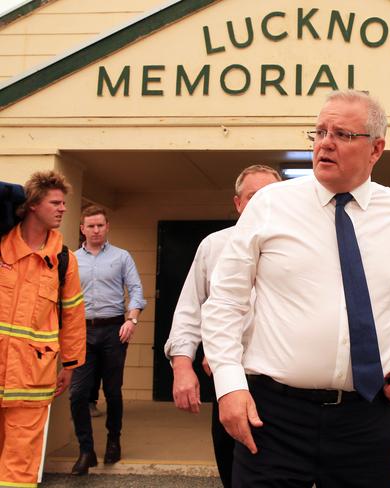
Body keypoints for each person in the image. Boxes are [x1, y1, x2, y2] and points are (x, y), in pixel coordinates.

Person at [201, 90, 390, 488]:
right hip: (272, 417)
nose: (325, 142)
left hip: (366, 418)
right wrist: (229, 386)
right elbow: (225, 301)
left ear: (376, 148)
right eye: (319, 132)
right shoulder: (269, 204)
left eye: (343, 134)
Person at [164, 164, 281, 488]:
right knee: (233, 473)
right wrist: (182, 366)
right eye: (253, 196)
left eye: (270, 196)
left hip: (285, 386)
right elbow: (190, 310)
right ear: (238, 203)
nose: (261, 203)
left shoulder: (299, 247)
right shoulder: (214, 246)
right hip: (230, 380)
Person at [0, 171, 86, 487]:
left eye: (64, 203)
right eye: (56, 202)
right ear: (33, 204)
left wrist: (72, 365)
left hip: (31, 378)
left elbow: (74, 315)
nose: (63, 209)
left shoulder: (64, 260)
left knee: (20, 467)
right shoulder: (1, 248)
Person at [69, 205, 147, 475]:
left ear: (107, 226)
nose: (96, 230)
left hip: (114, 329)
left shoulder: (121, 257)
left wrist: (132, 319)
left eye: (100, 225)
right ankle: (86, 449)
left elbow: (136, 289)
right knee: (78, 393)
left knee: (112, 391)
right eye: (90, 226)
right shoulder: (71, 259)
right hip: (81, 331)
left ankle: (114, 440)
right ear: (82, 229)